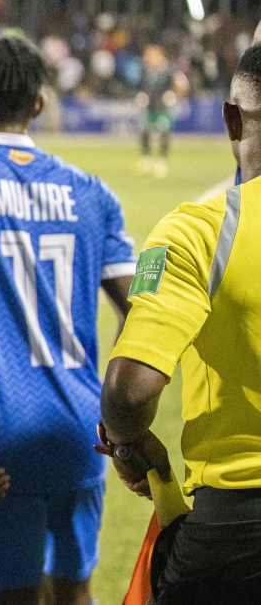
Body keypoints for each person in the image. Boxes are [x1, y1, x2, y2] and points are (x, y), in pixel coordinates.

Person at [0, 35, 136, 605]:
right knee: (74, 593)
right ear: (39, 105)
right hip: (82, 426)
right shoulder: (91, 193)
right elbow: (140, 305)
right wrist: (116, 409)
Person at [100, 43, 261, 603]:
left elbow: (128, 391)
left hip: (237, 526)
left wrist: (128, 445)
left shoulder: (196, 231)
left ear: (232, 120)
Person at [134, 44, 187, 178]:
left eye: (150, 55)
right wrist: (141, 95)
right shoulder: (145, 71)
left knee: (164, 132)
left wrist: (173, 95)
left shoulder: (169, 70)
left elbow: (180, 84)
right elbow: (140, 87)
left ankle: (161, 160)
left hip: (162, 108)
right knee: (144, 131)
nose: (147, 58)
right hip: (149, 108)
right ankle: (146, 159)